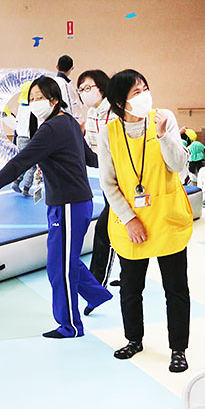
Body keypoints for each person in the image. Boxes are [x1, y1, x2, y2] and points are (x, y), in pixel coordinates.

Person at [0, 76, 112, 339]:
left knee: (59, 267)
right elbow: (90, 158)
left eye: (40, 98)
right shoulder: (67, 122)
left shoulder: (53, 128)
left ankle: (70, 327)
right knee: (63, 260)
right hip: (67, 203)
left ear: (54, 100)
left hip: (69, 205)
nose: (34, 103)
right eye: (31, 99)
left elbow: (19, 162)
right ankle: (97, 295)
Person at [99, 69, 193, 373]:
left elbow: (178, 164)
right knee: (130, 288)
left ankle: (178, 349)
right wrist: (129, 219)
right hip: (132, 223)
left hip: (167, 219)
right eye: (136, 92)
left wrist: (164, 135)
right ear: (119, 102)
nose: (144, 96)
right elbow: (108, 183)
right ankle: (134, 339)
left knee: (176, 289)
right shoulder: (109, 133)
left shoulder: (163, 119)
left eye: (145, 89)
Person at [77, 69, 119, 287]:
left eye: (88, 88)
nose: (84, 93)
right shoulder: (92, 114)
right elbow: (94, 157)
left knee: (105, 228)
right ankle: (126, 274)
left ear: (102, 87)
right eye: (81, 89)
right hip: (106, 177)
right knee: (117, 226)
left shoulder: (116, 110)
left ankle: (96, 283)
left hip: (124, 178)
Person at [10, 80, 36, 197]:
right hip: (30, 138)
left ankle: (16, 181)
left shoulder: (21, 107)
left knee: (23, 162)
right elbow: (33, 125)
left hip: (20, 137)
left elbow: (18, 123)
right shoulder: (33, 107)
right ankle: (26, 188)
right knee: (32, 165)